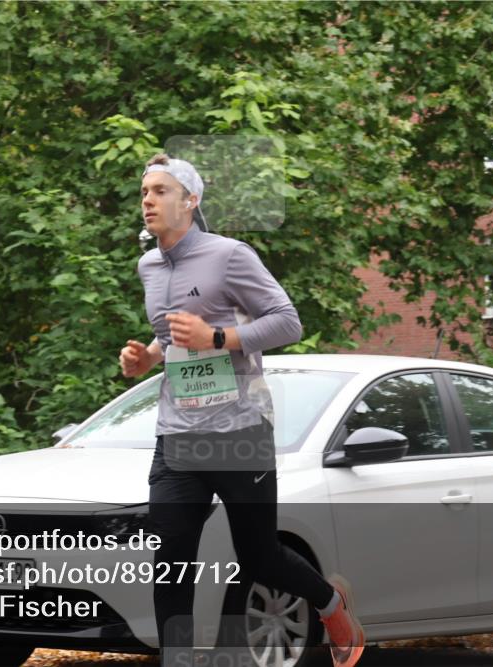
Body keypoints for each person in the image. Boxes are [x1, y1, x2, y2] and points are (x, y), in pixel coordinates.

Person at [118, 153, 365, 667]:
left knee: (257, 557)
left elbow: (286, 322)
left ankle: (331, 603)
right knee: (170, 561)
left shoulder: (230, 255)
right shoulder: (147, 266)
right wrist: (148, 356)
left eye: (161, 191)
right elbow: (172, 333)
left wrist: (219, 336)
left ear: (190, 200)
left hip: (239, 431)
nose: (148, 200)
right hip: (177, 433)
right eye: (144, 192)